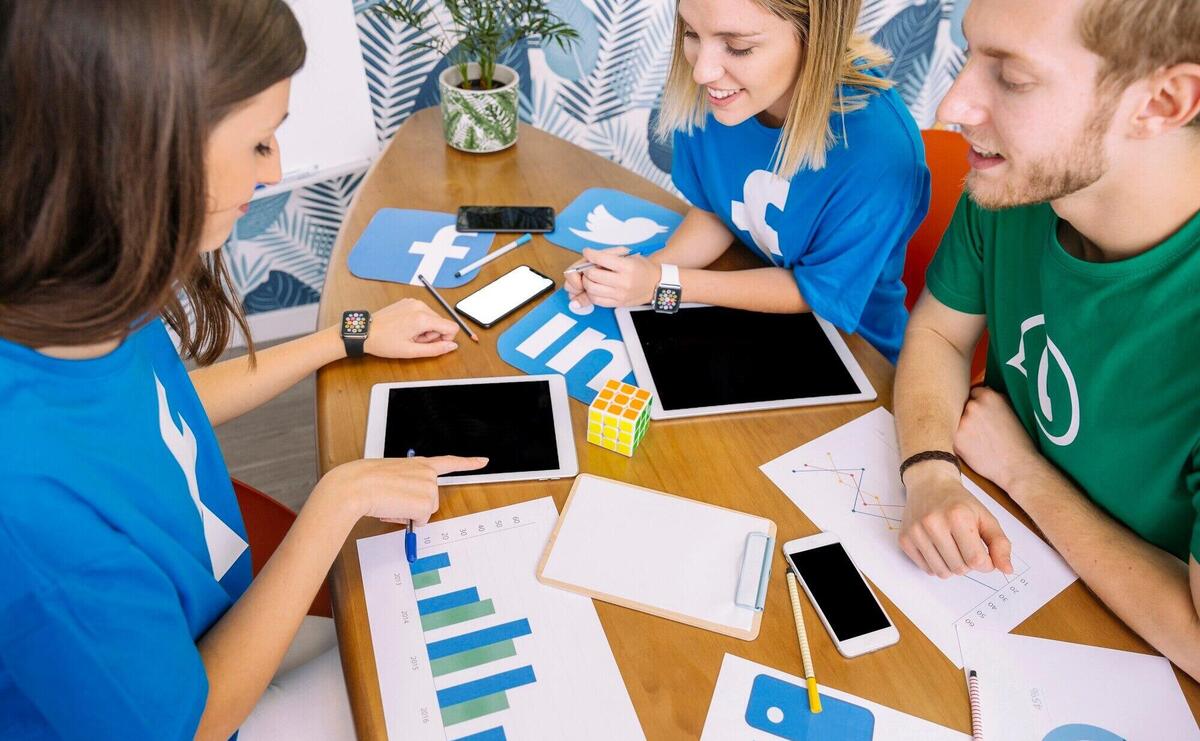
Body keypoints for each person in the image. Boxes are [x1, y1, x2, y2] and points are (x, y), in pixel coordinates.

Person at [0, 1, 486, 738]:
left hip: (211, 619)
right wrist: (334, 502)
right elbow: (191, 723)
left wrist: (348, 336)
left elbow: (161, 404)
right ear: (145, 153)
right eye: (260, 143)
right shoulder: (28, 505)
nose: (276, 170)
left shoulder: (83, 289)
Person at [894, 0, 1200, 678]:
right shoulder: (1018, 183)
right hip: (995, 583)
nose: (953, 103)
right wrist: (930, 470)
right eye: (973, 54)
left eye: (1013, 77)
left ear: (1163, 100)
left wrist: (1024, 472)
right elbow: (941, 332)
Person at [565, 0, 930, 363]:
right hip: (753, 320)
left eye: (738, 47)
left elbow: (817, 291)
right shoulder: (720, 92)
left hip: (857, 355)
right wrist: (636, 277)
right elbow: (719, 210)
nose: (702, 72)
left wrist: (664, 283)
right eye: (691, 32)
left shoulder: (880, 149)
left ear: (815, 38)